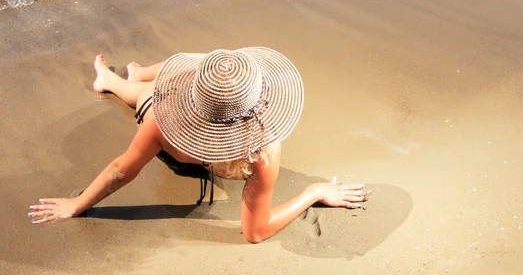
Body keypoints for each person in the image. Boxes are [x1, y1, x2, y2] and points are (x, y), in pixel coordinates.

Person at [28, 47, 369, 243]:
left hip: (168, 132)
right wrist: (313, 192)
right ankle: (121, 78)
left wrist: (78, 204)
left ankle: (119, 78)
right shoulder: (263, 151)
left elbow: (121, 169)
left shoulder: (165, 121)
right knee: (155, 89)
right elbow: (256, 232)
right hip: (193, 138)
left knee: (152, 92)